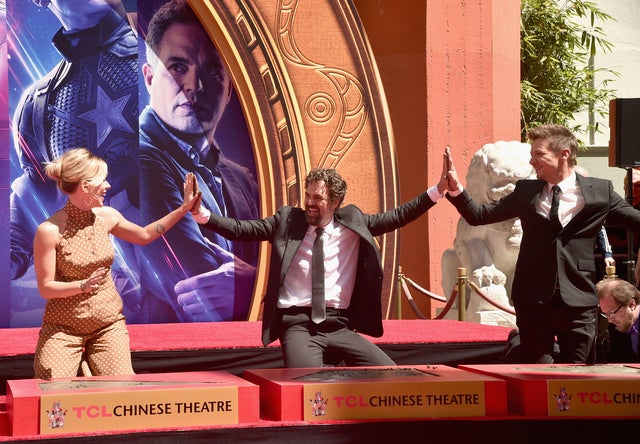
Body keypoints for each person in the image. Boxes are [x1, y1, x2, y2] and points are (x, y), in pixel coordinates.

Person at [188, 162, 449, 368]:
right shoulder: (287, 221)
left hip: (340, 326)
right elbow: (241, 229)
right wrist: (201, 214)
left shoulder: (353, 222)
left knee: (388, 377)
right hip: (298, 324)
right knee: (309, 387)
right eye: (308, 195)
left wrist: (438, 190)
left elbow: (399, 216)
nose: (310, 203)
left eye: (318, 198)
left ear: (335, 203)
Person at [444, 123, 640, 364]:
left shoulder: (600, 191)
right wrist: (456, 190)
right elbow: (478, 216)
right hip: (533, 301)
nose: (532, 161)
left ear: (564, 154)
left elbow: (636, 221)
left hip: (578, 302)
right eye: (532, 154)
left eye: (539, 154)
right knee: (539, 375)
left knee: (580, 375)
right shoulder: (526, 191)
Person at [10, 0, 140, 325]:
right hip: (96, 308)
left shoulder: (173, 67)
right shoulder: (38, 105)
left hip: (186, 291)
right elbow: (24, 219)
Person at [139, 0, 259, 322]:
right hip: (166, 361)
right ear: (149, 78)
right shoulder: (136, 162)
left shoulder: (240, 177)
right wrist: (261, 284)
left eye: (211, 70)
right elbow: (201, 295)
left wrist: (253, 281)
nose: (194, 86)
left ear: (230, 88)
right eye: (178, 67)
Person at [32, 148, 199, 379]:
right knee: (52, 394)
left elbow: (144, 235)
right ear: (86, 186)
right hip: (63, 329)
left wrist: (183, 210)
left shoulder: (107, 216)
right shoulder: (49, 231)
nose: (108, 185)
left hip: (108, 325)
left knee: (121, 391)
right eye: (103, 180)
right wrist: (82, 285)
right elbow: (45, 288)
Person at [596, 278, 640, 362]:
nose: (609, 320)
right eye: (606, 314)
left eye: (612, 313)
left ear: (631, 304)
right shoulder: (615, 327)